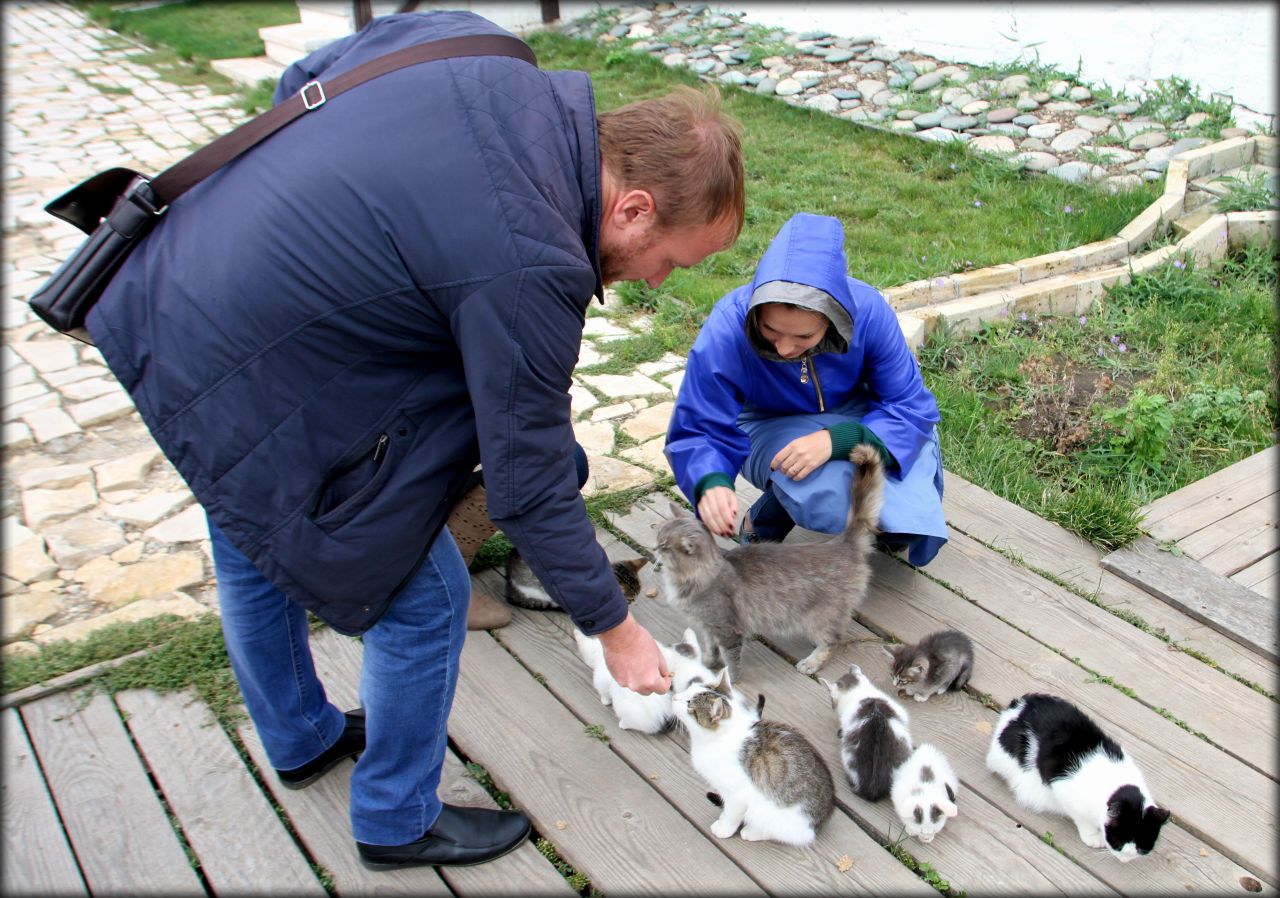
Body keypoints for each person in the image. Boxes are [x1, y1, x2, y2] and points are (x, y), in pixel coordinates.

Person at [83, 10, 744, 870]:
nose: (655, 282)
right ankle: (395, 819)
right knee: (425, 598)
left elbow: (303, 86)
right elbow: (529, 483)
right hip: (245, 363)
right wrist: (618, 631)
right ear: (633, 206)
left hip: (178, 285)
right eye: (671, 261)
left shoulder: (485, 50)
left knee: (250, 529)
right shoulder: (536, 258)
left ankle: (302, 738)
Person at [664, 212, 947, 567]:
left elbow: (909, 407)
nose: (784, 348)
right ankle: (766, 518)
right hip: (769, 422)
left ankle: (886, 527)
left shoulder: (868, 311)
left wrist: (840, 440)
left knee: (907, 509)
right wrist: (710, 481)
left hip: (857, 415)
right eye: (770, 330)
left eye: (804, 336)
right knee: (822, 477)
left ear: (832, 320)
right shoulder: (727, 325)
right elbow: (698, 426)